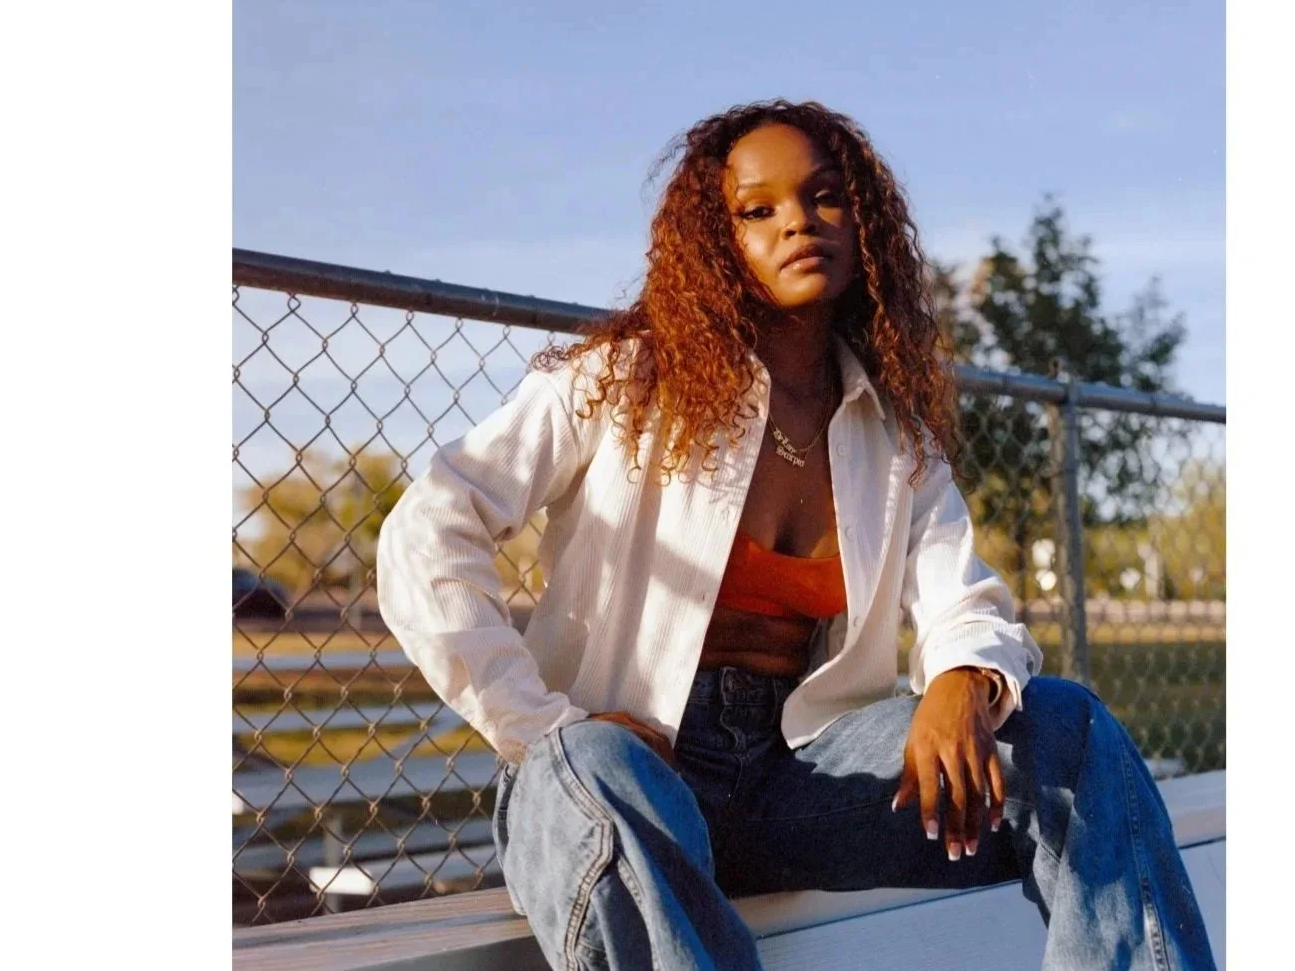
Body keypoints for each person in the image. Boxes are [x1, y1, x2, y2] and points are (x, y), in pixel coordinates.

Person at [377, 100, 1216, 971]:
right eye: (758, 209)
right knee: (591, 764)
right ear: (716, 240)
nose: (799, 223)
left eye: (824, 197)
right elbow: (427, 531)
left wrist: (965, 680)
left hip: (797, 779)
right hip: (626, 780)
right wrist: (541, 721)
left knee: (1066, 729)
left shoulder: (893, 437)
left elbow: (962, 595)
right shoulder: (623, 382)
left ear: (866, 223)